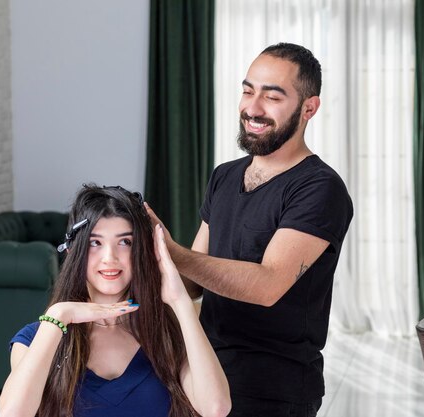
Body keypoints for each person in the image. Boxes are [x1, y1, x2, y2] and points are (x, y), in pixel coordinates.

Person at [146, 43, 353, 416]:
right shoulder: (224, 176)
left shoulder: (319, 188)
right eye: (247, 91)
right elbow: (194, 280)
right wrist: (139, 248)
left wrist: (171, 249)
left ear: (309, 108)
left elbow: (267, 286)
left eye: (272, 97)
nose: (253, 108)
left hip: (274, 388)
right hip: (205, 373)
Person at [0, 184, 231, 417]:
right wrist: (58, 316)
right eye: (95, 243)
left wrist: (180, 300)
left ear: (146, 251)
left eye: (125, 242)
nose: (110, 258)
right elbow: (13, 413)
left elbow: (216, 409)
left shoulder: (169, 334)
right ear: (73, 252)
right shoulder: (35, 337)